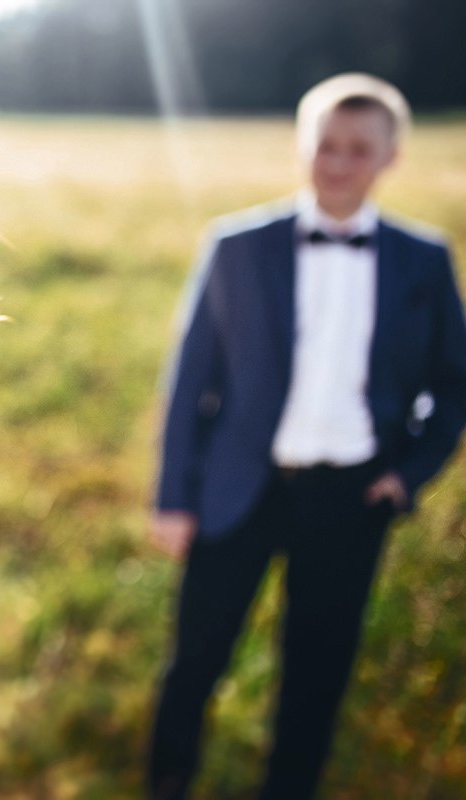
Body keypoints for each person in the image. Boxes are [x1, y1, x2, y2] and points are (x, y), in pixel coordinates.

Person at [147, 73, 466, 799]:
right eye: (326, 145)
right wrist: (173, 497)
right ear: (303, 148)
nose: (340, 163)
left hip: (351, 496)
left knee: (317, 671)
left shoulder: (423, 259)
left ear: (391, 157)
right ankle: (166, 784)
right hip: (238, 488)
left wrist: (408, 475)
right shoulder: (237, 245)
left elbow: (455, 383)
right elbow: (190, 377)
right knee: (195, 659)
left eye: (360, 149)